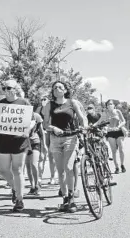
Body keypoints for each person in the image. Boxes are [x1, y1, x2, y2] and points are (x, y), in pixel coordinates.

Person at [42, 81, 87, 213]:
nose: (57, 89)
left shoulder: (72, 103)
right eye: (55, 87)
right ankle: (65, 198)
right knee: (60, 171)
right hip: (55, 140)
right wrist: (53, 128)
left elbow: (81, 117)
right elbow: (45, 124)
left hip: (70, 138)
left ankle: (72, 197)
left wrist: (84, 127)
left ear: (65, 90)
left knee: (68, 167)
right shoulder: (49, 105)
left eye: (60, 87)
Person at [0, 80, 31, 212]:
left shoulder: (23, 102)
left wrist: (28, 128)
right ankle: (15, 188)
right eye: (3, 88)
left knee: (17, 170)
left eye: (8, 87)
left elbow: (32, 121)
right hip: (4, 141)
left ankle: (20, 199)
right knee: (3, 170)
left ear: (16, 89)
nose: (6, 90)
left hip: (19, 141)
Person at [94, 99, 127, 173]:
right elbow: (99, 122)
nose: (110, 105)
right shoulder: (105, 113)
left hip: (119, 131)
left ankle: (122, 165)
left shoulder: (118, 111)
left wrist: (118, 126)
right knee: (114, 151)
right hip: (110, 133)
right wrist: (91, 126)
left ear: (114, 105)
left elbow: (124, 121)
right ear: (106, 106)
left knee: (121, 149)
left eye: (111, 104)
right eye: (108, 104)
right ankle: (117, 167)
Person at [25, 111, 46, 196]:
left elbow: (41, 132)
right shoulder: (20, 116)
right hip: (24, 143)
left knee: (34, 164)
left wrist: (44, 145)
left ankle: (37, 184)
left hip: (35, 142)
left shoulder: (36, 116)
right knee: (28, 166)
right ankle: (32, 186)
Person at [38, 94, 57, 185]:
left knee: (51, 156)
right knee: (42, 156)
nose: (43, 100)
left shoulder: (52, 109)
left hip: (52, 133)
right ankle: (39, 178)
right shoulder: (38, 109)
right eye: (41, 99)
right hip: (43, 134)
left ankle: (52, 177)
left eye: (45, 99)